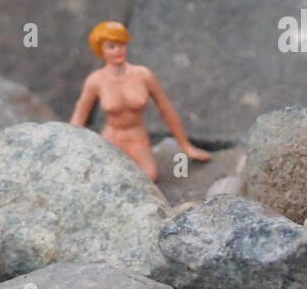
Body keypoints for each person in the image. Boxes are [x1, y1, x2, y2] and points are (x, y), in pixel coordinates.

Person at [70, 21, 210, 181]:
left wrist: (186, 146)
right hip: (111, 137)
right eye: (111, 46)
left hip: (137, 137)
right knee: (105, 176)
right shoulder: (95, 81)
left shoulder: (143, 75)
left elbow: (166, 109)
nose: (118, 50)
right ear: (101, 50)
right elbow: (79, 116)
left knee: (149, 176)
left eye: (121, 45)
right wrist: (70, 150)